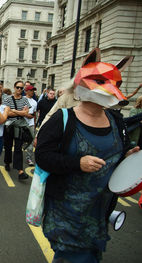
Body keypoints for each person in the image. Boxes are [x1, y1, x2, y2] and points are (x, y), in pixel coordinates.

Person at [35, 48, 139, 262]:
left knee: (93, 255)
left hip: (100, 212)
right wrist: (77, 163)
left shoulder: (116, 121)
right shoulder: (62, 120)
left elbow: (119, 151)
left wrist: (128, 156)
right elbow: (43, 157)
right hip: (67, 214)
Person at [2, 80, 31, 179]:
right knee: (8, 146)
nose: (19, 89)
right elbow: (7, 113)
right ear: (14, 87)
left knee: (18, 148)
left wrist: (13, 110)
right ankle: (7, 162)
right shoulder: (7, 99)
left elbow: (26, 113)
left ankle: (20, 171)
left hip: (20, 127)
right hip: (9, 126)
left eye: (21, 88)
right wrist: (20, 112)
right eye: (18, 87)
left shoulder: (25, 100)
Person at [24, 85, 37, 166]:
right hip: (22, 123)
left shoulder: (35, 102)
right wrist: (26, 115)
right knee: (20, 140)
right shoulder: (22, 99)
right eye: (31, 90)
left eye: (33, 90)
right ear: (26, 91)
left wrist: (34, 124)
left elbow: (34, 114)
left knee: (31, 142)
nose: (32, 92)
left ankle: (29, 158)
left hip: (31, 124)